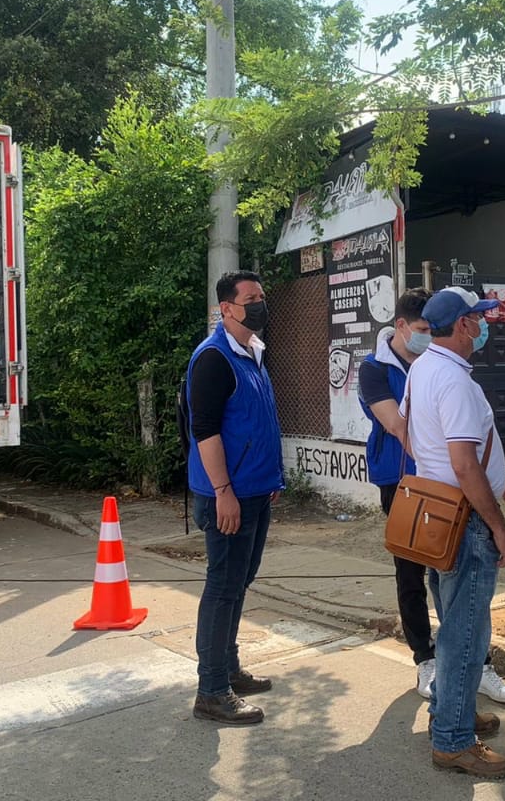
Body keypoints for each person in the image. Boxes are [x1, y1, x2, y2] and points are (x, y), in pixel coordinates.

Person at [359, 289, 505, 706]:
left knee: (456, 600)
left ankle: (466, 681)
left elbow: (421, 432)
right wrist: (443, 479)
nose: (483, 326)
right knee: (428, 585)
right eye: (421, 330)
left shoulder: (429, 367)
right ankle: (436, 684)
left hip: (438, 489)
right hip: (421, 491)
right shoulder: (386, 370)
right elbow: (403, 429)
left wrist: (437, 474)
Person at [405, 286, 505, 780]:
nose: (483, 325)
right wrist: (498, 526)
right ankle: (452, 740)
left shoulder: (422, 369)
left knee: (453, 621)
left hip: (437, 513)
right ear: (465, 325)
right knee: (465, 633)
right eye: (478, 318)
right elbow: (465, 465)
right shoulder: (455, 382)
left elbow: (409, 436)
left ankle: (454, 711)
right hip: (466, 518)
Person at [184, 270, 284, 726]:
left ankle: (228, 669)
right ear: (227, 309)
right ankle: (211, 690)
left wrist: (271, 479)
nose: (260, 303)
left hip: (255, 490)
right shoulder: (213, 359)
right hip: (228, 495)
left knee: (239, 583)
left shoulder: (254, 353)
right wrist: (224, 491)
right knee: (223, 587)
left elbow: (256, 422)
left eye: (262, 296)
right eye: (251, 298)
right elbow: (205, 432)